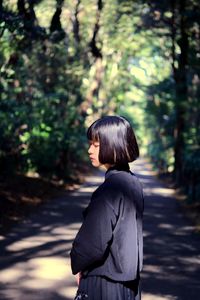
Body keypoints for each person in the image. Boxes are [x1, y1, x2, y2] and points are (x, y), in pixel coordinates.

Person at [70, 115, 144, 300]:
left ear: (114, 145)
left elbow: (92, 244)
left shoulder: (109, 189)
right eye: (90, 144)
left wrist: (78, 263)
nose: (89, 150)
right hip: (128, 285)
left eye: (96, 145)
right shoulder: (132, 182)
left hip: (103, 283)